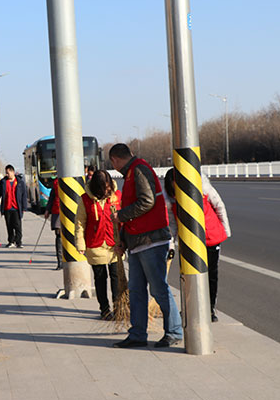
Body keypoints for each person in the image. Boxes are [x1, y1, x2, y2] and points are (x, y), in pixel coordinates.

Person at [109, 143, 183, 349]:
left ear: (115, 160)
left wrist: (121, 215)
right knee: (136, 291)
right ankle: (138, 334)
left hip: (151, 240)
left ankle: (174, 331)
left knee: (158, 289)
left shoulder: (139, 170)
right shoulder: (132, 172)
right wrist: (123, 240)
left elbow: (147, 201)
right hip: (137, 241)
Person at [164, 169, 231, 322]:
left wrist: (225, 231)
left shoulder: (204, 189)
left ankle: (210, 309)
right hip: (188, 242)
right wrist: (171, 244)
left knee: (211, 275)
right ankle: (190, 308)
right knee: (188, 276)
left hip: (210, 238)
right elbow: (172, 224)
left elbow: (220, 206)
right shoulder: (171, 200)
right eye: (173, 184)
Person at [75, 170, 122, 319]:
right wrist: (80, 244)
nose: (107, 190)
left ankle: (119, 307)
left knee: (117, 277)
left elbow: (125, 219)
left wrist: (125, 241)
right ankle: (105, 309)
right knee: (100, 278)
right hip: (95, 244)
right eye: (104, 188)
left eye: (108, 187)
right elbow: (80, 223)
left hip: (114, 243)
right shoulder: (85, 200)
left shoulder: (117, 196)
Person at [0, 164, 27, 248]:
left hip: (16, 207)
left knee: (18, 226)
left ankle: (18, 242)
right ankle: (11, 241)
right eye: (6, 173)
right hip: (7, 207)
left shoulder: (20, 182)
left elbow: (24, 195)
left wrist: (24, 207)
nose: (7, 174)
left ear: (13, 172)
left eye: (8, 173)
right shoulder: (3, 182)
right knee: (9, 226)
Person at [44, 177, 62, 270]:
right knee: (59, 236)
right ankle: (60, 262)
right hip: (57, 211)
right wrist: (47, 210)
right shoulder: (56, 183)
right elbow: (52, 198)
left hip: (68, 213)